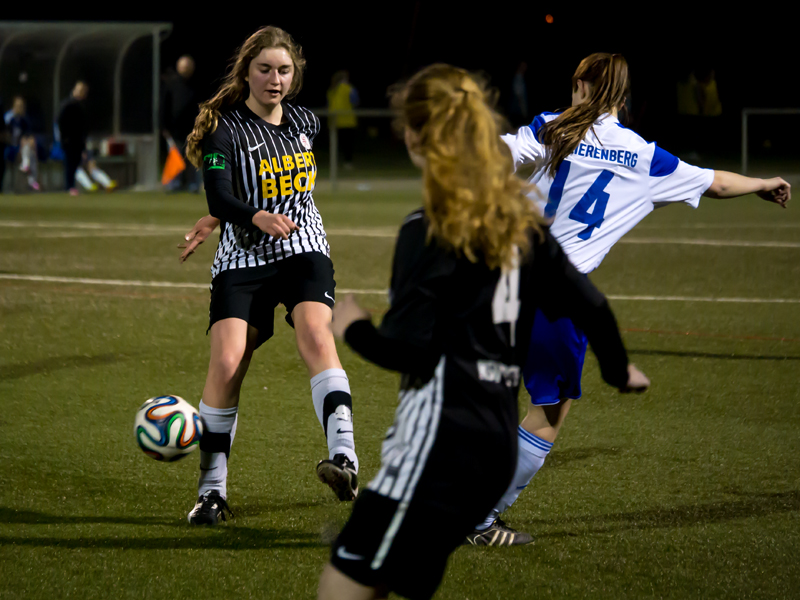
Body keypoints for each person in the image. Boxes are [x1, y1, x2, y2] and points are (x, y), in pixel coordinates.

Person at [316, 64, 649, 600]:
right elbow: (591, 306)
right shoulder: (524, 227)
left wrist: (353, 328)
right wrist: (617, 368)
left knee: (343, 585)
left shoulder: (428, 227)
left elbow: (407, 350)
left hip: (436, 445)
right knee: (392, 581)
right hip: (494, 451)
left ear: (413, 136)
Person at [468, 52, 791, 545]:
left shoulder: (550, 127)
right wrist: (762, 184)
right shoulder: (642, 156)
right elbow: (715, 181)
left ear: (581, 85)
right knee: (551, 409)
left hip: (499, 280)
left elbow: (497, 155)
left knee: (489, 398)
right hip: (559, 294)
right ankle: (480, 521)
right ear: (623, 96)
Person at [177, 26, 360, 525]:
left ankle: (345, 459)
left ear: (294, 74)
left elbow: (277, 183)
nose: (274, 79)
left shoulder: (306, 122)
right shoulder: (225, 128)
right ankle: (212, 493)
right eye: (264, 69)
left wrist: (246, 210)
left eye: (283, 70)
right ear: (247, 73)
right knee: (228, 361)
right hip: (242, 258)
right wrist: (239, 216)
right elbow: (220, 193)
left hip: (303, 248)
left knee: (317, 335)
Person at [162, 55, 200, 191]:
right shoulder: (171, 85)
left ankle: (193, 184)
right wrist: (164, 127)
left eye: (188, 67)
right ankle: (174, 184)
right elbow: (165, 106)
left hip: (193, 129)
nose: (185, 69)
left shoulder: (196, 86)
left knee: (192, 157)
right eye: (183, 67)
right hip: (175, 130)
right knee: (175, 156)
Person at [57, 81, 89, 195]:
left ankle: (71, 186)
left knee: (75, 163)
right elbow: (60, 121)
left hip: (78, 140)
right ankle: (69, 186)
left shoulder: (82, 106)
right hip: (69, 140)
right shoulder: (68, 104)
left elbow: (84, 126)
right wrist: (64, 137)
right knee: (70, 163)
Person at [4, 96, 41, 191]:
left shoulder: (24, 120)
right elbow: (6, 136)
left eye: (22, 106)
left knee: (31, 151)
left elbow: (29, 135)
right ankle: (31, 179)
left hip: (22, 149)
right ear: (14, 106)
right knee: (27, 151)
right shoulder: (9, 118)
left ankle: (27, 169)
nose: (20, 108)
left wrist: (30, 142)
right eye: (18, 106)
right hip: (9, 148)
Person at [327, 70, 359, 169]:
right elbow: (355, 101)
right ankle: (347, 163)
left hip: (334, 121)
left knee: (335, 145)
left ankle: (334, 164)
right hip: (347, 121)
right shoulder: (349, 89)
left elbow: (328, 105)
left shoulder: (331, 90)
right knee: (348, 145)